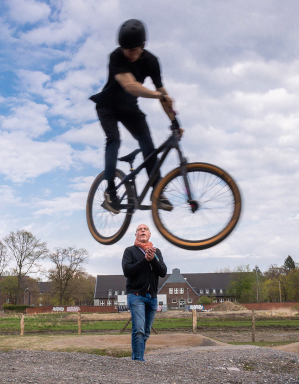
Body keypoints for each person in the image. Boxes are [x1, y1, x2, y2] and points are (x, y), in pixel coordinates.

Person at [90, 19, 182, 213]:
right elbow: (131, 86)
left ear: (143, 45)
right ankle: (110, 191)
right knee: (114, 139)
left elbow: (163, 94)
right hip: (107, 106)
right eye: (125, 49)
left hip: (129, 109)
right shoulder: (116, 57)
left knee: (148, 145)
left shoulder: (151, 61)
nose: (128, 54)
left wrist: (174, 121)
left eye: (132, 50)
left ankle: (158, 191)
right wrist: (160, 95)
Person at [122, 223, 167, 361]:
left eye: (145, 229)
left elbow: (163, 272)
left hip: (152, 297)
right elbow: (127, 271)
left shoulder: (156, 252)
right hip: (136, 296)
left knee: (146, 332)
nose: (142, 230)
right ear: (136, 235)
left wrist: (152, 259)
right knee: (139, 329)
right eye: (139, 229)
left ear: (149, 234)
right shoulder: (130, 251)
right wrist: (144, 260)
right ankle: (138, 360)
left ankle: (137, 356)